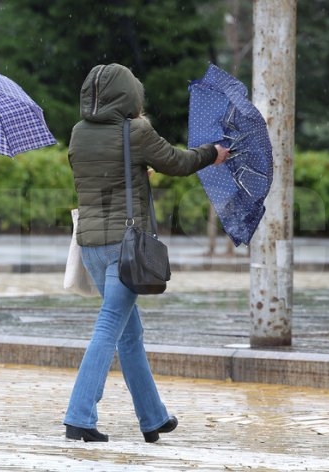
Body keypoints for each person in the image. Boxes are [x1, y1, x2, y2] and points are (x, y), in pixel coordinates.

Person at [64, 63, 230, 443]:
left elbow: (96, 174)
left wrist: (134, 172)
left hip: (91, 245)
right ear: (129, 95)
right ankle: (79, 416)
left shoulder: (78, 133)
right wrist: (212, 153)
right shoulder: (135, 130)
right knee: (109, 328)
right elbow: (177, 162)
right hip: (126, 246)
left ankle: (152, 417)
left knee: (129, 333)